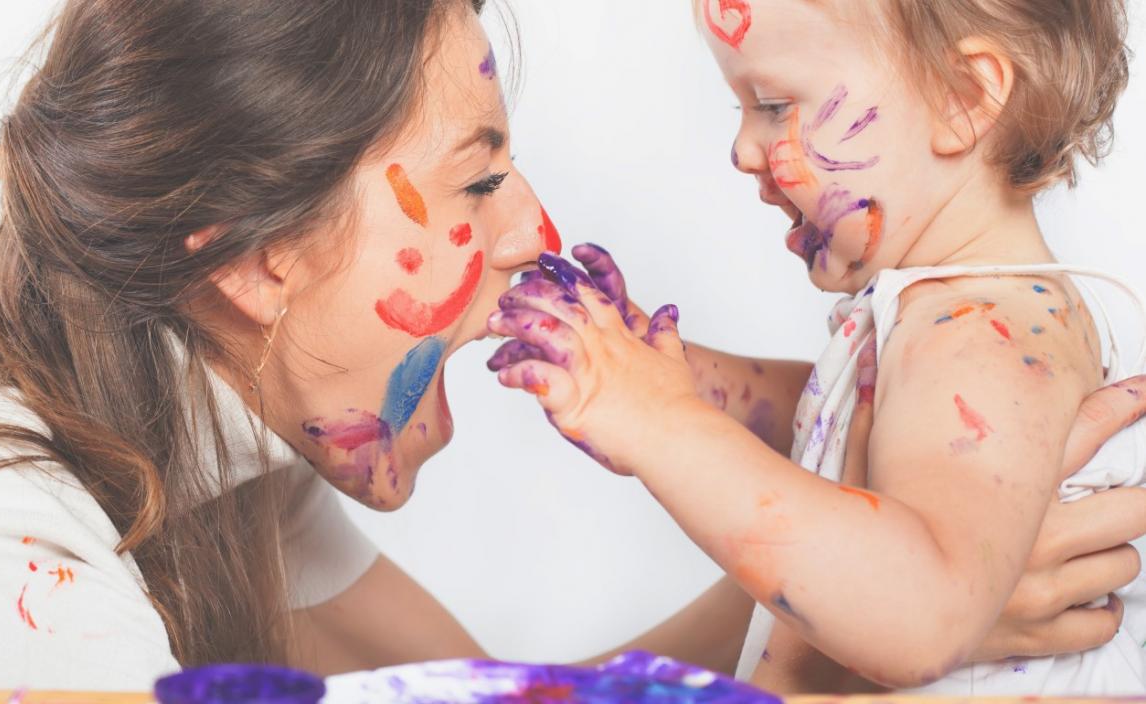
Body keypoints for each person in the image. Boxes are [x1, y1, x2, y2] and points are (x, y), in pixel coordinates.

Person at [0, 0, 1144, 694]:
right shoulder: (8, 549)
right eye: (477, 179)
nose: (535, 232)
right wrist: (847, 646)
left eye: (777, 105)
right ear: (253, 260)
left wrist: (851, 597)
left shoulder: (221, 465)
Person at [487, 0, 1146, 694]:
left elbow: (921, 615)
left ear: (962, 99)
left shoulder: (983, 338)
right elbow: (823, 414)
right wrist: (668, 372)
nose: (742, 150)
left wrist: (657, 422)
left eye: (772, 105)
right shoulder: (945, 320)